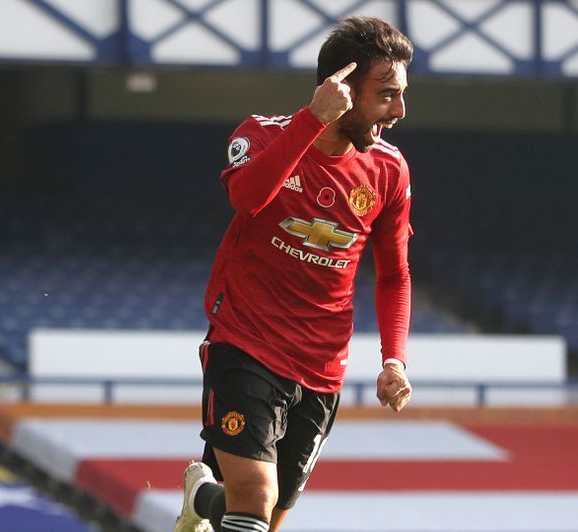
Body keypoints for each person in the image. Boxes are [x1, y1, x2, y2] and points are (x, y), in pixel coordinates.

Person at [176, 16, 414, 532]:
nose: (399, 111)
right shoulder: (261, 134)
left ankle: (202, 500)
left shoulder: (389, 170)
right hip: (246, 343)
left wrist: (394, 359)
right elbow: (246, 198)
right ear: (342, 90)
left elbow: (395, 274)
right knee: (255, 499)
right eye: (388, 94)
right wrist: (311, 121)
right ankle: (213, 499)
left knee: (266, 519)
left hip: (322, 365)